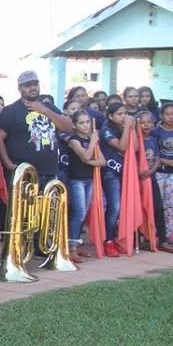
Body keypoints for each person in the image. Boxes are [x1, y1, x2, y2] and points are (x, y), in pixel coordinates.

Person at [0, 71, 73, 192]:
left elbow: (68, 127)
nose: (32, 88)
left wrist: (45, 110)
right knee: (24, 211)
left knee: (49, 210)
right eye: (27, 85)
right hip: (24, 173)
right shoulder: (11, 110)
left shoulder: (49, 107)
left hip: (50, 171)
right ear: (20, 89)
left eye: (35, 84)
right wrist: (8, 164)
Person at [65, 110, 104, 261]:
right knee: (79, 212)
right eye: (82, 123)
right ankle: (71, 247)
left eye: (88, 122)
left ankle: (75, 244)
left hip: (89, 179)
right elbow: (85, 155)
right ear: (74, 125)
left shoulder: (90, 140)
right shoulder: (74, 140)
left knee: (82, 213)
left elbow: (102, 161)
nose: (86, 125)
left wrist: (89, 161)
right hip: (76, 180)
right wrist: (93, 141)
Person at [100, 102, 134, 256]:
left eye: (125, 113)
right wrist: (127, 127)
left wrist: (131, 128)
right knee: (115, 206)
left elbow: (135, 148)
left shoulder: (123, 128)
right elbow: (121, 147)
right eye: (120, 114)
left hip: (123, 173)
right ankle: (108, 240)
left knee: (121, 207)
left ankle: (115, 238)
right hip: (110, 172)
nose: (124, 116)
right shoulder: (106, 130)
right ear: (110, 116)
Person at [136, 110, 168, 251]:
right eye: (142, 122)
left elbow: (156, 159)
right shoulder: (135, 140)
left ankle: (162, 239)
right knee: (138, 208)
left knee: (158, 208)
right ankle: (138, 239)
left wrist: (150, 171)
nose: (146, 125)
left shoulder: (153, 140)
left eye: (148, 122)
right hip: (136, 180)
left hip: (150, 177)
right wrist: (139, 171)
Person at [152, 103, 173, 245]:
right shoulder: (156, 132)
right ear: (161, 115)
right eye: (168, 114)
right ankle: (156, 233)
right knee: (158, 205)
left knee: (170, 203)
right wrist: (166, 161)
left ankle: (169, 232)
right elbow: (154, 156)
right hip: (158, 173)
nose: (171, 117)